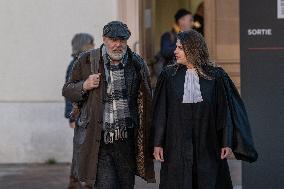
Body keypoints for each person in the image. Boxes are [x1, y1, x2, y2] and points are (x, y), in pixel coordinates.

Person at [152, 30, 258, 189]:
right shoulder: (168, 76)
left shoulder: (216, 76)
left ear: (193, 48)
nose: (175, 51)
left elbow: (225, 112)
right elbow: (160, 112)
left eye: (180, 48)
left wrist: (226, 141)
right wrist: (157, 142)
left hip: (208, 144)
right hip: (176, 145)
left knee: (208, 181)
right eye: (176, 47)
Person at [62, 21, 155, 189]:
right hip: (100, 139)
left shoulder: (137, 63)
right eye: (113, 39)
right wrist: (84, 85)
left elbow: (147, 101)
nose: (118, 44)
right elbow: (68, 90)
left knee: (125, 185)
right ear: (104, 39)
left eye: (122, 40)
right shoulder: (86, 60)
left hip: (127, 140)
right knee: (105, 185)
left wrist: (151, 136)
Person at [65, 33, 94, 189]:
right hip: (80, 114)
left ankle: (88, 181)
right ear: (83, 45)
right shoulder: (75, 65)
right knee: (80, 148)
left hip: (89, 113)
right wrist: (71, 117)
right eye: (91, 43)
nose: (93, 45)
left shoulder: (88, 63)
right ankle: (75, 181)